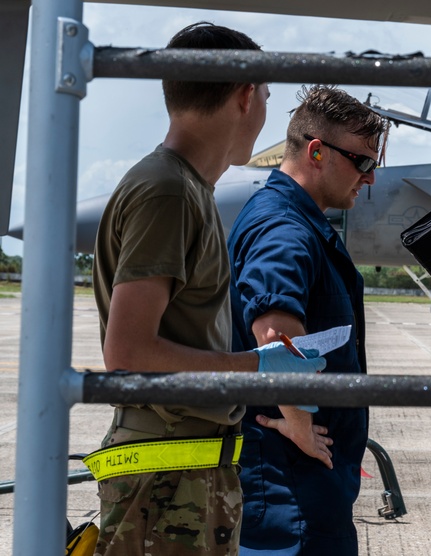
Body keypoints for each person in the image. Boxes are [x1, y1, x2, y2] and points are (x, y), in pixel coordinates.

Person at [92, 23, 326, 556]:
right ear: (246, 96)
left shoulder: (185, 188)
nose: (265, 108)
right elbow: (126, 353)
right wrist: (260, 366)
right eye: (267, 95)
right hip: (168, 475)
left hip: (185, 464)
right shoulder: (168, 191)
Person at [227, 85, 389, 555]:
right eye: (363, 162)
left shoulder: (296, 220)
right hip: (290, 495)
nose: (370, 177)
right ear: (317, 152)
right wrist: (298, 420)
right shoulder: (285, 227)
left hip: (305, 490)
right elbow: (274, 333)